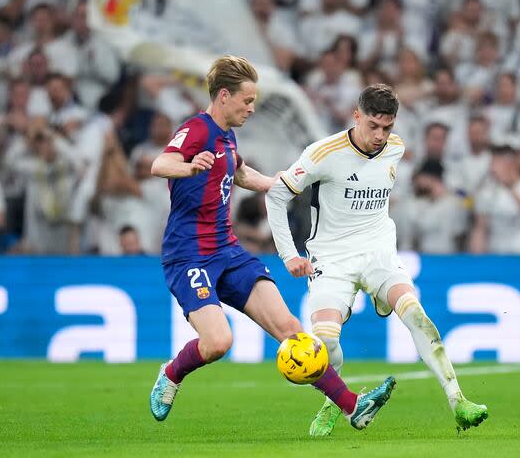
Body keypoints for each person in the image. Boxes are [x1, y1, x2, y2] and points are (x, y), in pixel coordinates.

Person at [148, 56, 395, 429]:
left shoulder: (227, 136)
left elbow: (240, 171)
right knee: (217, 342)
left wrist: (279, 183)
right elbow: (160, 164)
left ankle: (351, 406)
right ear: (225, 96)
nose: (251, 108)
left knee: (291, 330)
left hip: (228, 251)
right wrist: (189, 167)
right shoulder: (197, 129)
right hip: (188, 256)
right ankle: (171, 374)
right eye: (247, 101)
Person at [265, 84, 488, 437]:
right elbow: (276, 195)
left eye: (387, 127)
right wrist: (289, 254)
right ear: (356, 116)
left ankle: (459, 401)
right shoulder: (323, 153)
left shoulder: (395, 149)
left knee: (416, 314)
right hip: (332, 259)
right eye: (373, 126)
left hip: (378, 251)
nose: (380, 136)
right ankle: (334, 403)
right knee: (326, 342)